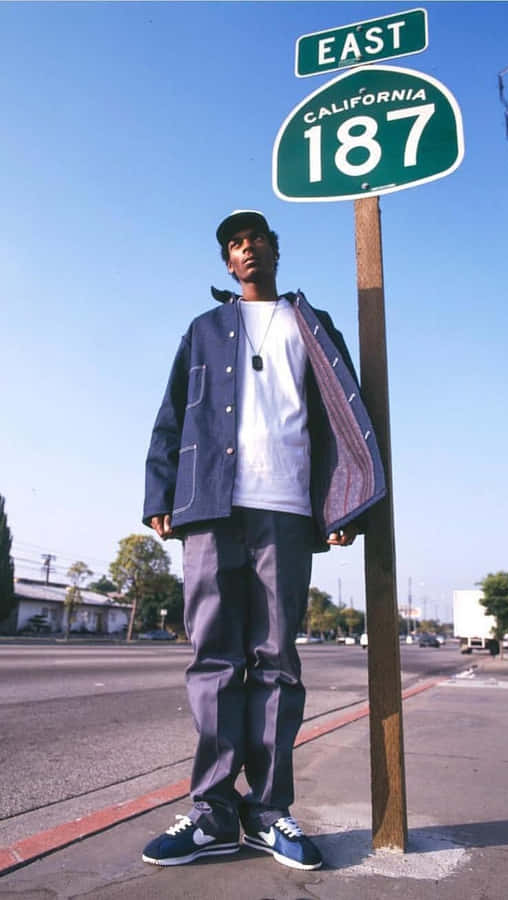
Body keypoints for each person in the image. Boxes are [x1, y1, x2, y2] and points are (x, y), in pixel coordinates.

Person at [141, 210, 385, 870]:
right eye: (235, 244)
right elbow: (170, 416)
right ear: (227, 263)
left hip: (287, 511)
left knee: (277, 659)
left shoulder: (312, 325)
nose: (246, 250)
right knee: (215, 658)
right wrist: (159, 493)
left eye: (256, 240)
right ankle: (212, 811)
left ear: (275, 251)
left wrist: (342, 503)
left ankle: (270, 811)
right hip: (211, 506)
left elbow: (340, 417)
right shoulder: (204, 330)